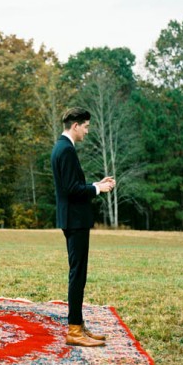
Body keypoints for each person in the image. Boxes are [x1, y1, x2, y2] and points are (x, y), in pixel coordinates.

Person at [51, 108, 115, 347]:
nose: (87, 131)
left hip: (74, 219)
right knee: (77, 275)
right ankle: (74, 330)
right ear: (75, 125)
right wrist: (99, 190)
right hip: (74, 220)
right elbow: (71, 190)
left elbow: (74, 185)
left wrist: (95, 183)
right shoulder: (65, 149)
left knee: (78, 273)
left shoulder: (63, 147)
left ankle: (78, 324)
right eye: (86, 126)